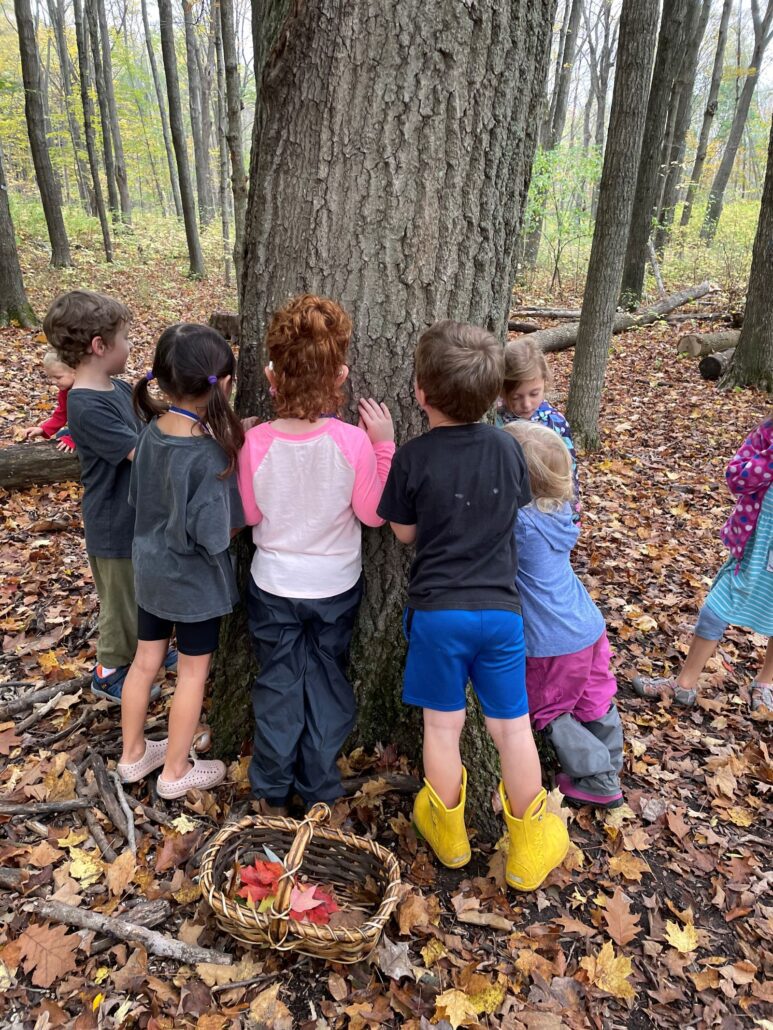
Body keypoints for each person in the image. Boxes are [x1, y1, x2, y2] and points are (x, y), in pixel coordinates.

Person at [377, 320, 569, 892]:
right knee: (512, 730)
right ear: (493, 395)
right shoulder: (510, 450)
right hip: (502, 617)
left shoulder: (412, 458)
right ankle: (529, 845)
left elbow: (404, 534)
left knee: (443, 725)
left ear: (419, 392)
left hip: (438, 615)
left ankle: (450, 831)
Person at [237, 294, 395, 815]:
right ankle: (319, 786)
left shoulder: (255, 442)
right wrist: (384, 447)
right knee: (326, 680)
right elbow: (375, 516)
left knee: (279, 684)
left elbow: (249, 517)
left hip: (274, 588)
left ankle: (272, 790)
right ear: (341, 376)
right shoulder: (353, 443)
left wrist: (237, 449)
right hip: (334, 588)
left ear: (271, 376)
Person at [117, 325, 245, 798]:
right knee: (192, 672)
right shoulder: (210, 455)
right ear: (223, 384)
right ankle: (174, 771)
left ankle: (132, 755)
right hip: (193, 583)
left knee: (145, 661)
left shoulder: (149, 433)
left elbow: (139, 497)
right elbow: (215, 535)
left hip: (150, 570)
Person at [43, 290, 174, 703]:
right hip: (113, 525)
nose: (131, 346)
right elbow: (142, 452)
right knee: (120, 604)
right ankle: (109, 670)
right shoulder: (85, 405)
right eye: (126, 338)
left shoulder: (116, 389)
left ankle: (147, 652)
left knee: (142, 592)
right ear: (100, 347)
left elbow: (154, 423)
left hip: (135, 519)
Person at [504, 421, 624, 809]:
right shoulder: (561, 511)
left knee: (549, 707)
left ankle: (596, 778)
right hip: (586, 625)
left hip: (551, 639)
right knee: (595, 697)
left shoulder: (519, 522)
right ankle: (610, 760)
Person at [633, 415, 773, 714]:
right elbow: (736, 478)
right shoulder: (767, 434)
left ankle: (765, 683)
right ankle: (684, 684)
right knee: (716, 608)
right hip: (755, 546)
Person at [497, 338, 579, 516]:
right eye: (516, 397)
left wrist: (572, 516)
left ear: (545, 382)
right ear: (502, 390)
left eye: (534, 394)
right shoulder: (496, 422)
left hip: (548, 513)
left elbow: (569, 474)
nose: (526, 404)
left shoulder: (555, 423)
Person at [23, 349, 77, 452]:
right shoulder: (65, 391)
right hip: (81, 429)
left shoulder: (86, 393)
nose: (53, 382)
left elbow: (93, 423)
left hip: (100, 432)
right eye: (51, 377)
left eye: (58, 377)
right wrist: (43, 429)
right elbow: (61, 414)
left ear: (75, 372)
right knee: (61, 434)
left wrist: (74, 439)